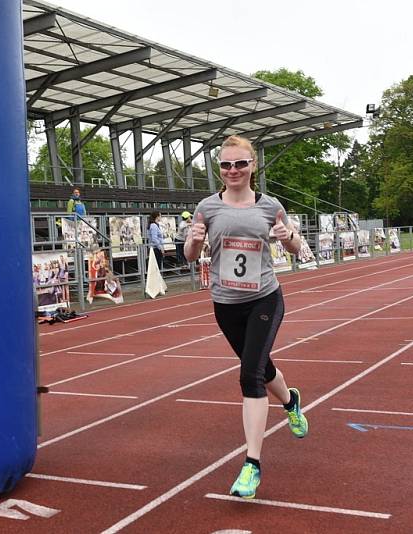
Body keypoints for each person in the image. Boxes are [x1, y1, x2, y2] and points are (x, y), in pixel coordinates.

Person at [184, 135, 307, 500]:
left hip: (264, 298)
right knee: (261, 366)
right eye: (226, 164)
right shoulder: (207, 207)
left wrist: (288, 238)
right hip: (225, 304)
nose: (233, 170)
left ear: (253, 165)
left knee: (249, 375)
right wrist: (193, 239)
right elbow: (191, 256)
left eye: (240, 163)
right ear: (218, 169)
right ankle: (291, 402)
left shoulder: (270, 207)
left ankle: (251, 464)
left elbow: (297, 246)